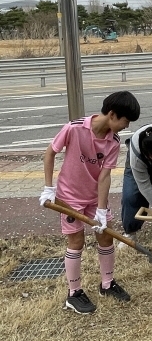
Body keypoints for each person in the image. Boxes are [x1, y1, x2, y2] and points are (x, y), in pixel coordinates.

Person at [39, 91, 141, 314]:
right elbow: (50, 153)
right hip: (69, 197)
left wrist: (102, 211)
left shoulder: (113, 142)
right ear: (112, 114)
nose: (127, 126)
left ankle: (107, 283)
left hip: (94, 197)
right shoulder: (75, 128)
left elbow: (104, 176)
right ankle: (73, 293)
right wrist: (49, 188)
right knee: (76, 241)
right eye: (126, 121)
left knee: (105, 235)